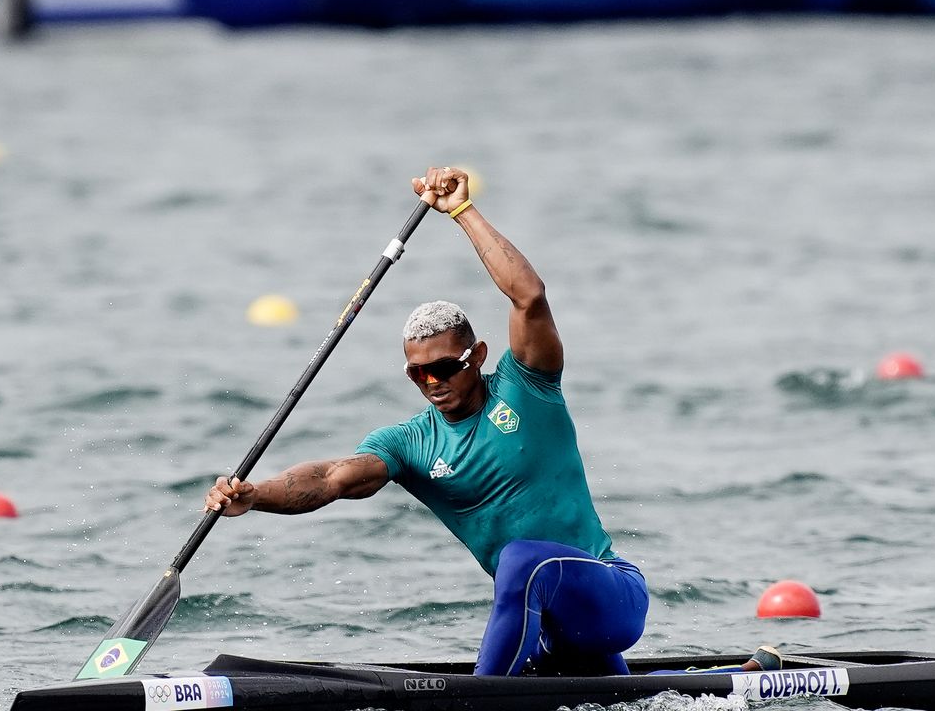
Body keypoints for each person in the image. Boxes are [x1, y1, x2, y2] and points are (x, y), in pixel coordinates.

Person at [205, 166, 648, 677]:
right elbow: (331, 479)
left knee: (522, 560)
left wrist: (462, 211)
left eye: (443, 367)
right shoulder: (411, 443)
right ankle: (744, 676)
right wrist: (253, 494)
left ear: (477, 355)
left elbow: (529, 296)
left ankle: (478, 698)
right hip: (548, 625)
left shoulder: (528, 386)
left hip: (611, 596)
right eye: (418, 374)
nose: (432, 381)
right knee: (616, 694)